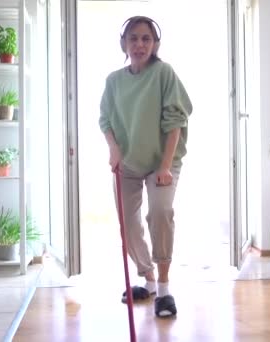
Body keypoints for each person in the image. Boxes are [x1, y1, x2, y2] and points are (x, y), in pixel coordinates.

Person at [98, 15, 193, 318]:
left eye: (146, 39)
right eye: (133, 38)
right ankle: (148, 281)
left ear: (155, 44)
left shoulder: (164, 73)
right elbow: (105, 120)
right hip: (127, 162)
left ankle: (164, 290)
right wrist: (113, 149)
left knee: (161, 213)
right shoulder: (114, 81)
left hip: (161, 162)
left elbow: (176, 121)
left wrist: (165, 167)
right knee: (128, 224)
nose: (139, 44)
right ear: (123, 43)